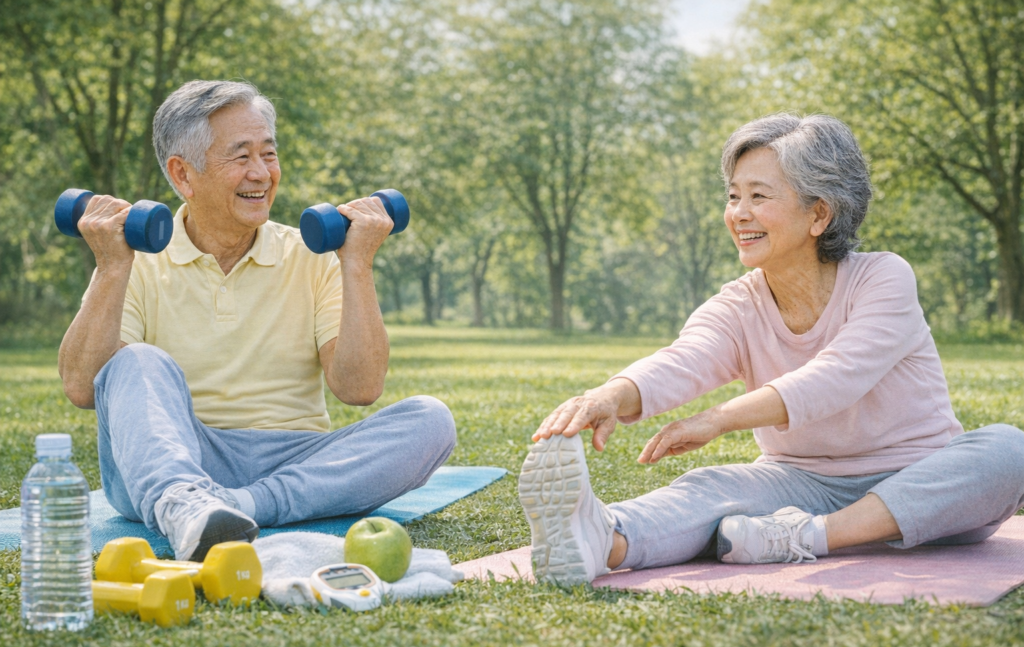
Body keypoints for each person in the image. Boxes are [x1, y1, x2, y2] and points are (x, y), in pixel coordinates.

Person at [520, 112, 1024, 585]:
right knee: (712, 487)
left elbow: (836, 376)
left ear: (819, 214)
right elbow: (685, 359)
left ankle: (809, 537)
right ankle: (601, 539)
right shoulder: (738, 304)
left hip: (921, 480)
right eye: (733, 196)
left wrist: (717, 419)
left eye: (759, 196)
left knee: (1008, 449)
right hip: (798, 484)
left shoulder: (883, 277)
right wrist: (611, 395)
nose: (739, 214)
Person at [58, 80, 456, 561]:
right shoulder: (133, 259)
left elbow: (359, 387)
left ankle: (235, 507)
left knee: (431, 420)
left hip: (292, 458)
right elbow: (83, 387)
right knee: (136, 361)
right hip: (176, 456)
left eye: (269, 154)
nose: (262, 174)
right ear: (183, 175)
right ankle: (183, 501)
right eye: (241, 156)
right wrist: (111, 266)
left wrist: (358, 263)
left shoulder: (312, 255)